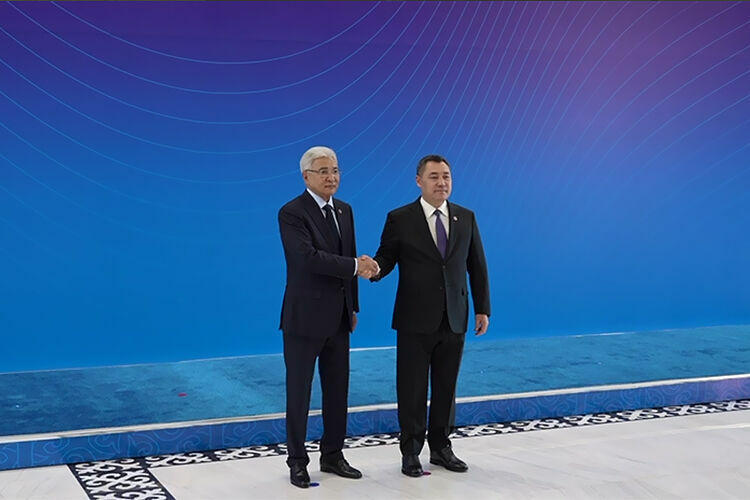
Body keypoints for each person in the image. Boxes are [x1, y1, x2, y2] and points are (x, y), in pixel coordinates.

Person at [371, 154, 490, 477]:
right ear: (419, 181)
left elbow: (477, 265)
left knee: (446, 387)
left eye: (446, 176)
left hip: (455, 315)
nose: (442, 182)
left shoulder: (465, 217)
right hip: (414, 318)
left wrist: (482, 308)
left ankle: (441, 448)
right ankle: (410, 451)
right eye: (434, 176)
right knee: (411, 388)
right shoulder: (400, 218)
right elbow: (387, 257)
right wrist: (375, 269)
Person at [278, 146, 379, 488]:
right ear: (306, 176)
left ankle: (333, 454)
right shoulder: (292, 213)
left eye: (335, 170)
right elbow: (307, 258)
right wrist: (355, 266)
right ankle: (297, 461)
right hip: (304, 318)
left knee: (338, 391)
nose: (331, 177)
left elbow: (348, 258)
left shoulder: (344, 210)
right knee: (299, 392)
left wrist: (353, 306)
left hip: (338, 318)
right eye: (323, 171)